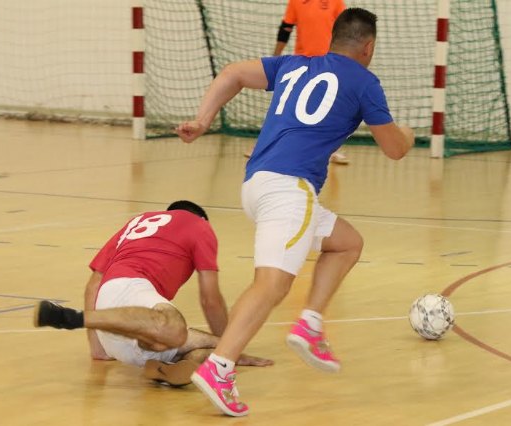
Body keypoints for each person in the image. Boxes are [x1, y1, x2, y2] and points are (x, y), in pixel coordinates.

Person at [176, 8, 414, 416]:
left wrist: (203, 120)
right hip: (290, 189)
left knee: (346, 243)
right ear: (368, 46)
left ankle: (311, 324)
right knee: (271, 285)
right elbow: (394, 149)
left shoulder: (293, 64)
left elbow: (232, 73)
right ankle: (220, 366)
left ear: (333, 39)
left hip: (257, 183)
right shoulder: (365, 82)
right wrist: (406, 132)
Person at [33, 200, 273, 387]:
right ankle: (75, 317)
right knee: (175, 327)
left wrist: (97, 348)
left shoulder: (137, 222)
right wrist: (229, 349)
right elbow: (210, 299)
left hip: (120, 334)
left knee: (201, 352)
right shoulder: (199, 225)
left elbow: (93, 284)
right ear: (202, 219)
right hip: (130, 292)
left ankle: (162, 369)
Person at [244, 0, 349, 164]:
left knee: (329, 108)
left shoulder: (336, 2)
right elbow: (286, 28)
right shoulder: (296, 2)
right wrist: (276, 56)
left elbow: (345, 32)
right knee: (285, 106)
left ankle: (331, 150)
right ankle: (262, 147)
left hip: (329, 63)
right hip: (302, 63)